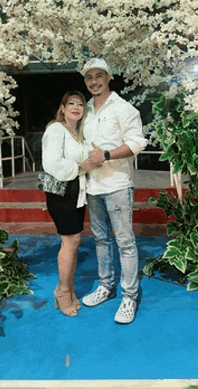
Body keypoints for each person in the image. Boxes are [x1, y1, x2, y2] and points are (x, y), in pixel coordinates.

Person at [80, 58, 148, 324]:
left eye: (99, 76)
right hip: (92, 186)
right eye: (89, 78)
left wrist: (106, 155)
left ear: (109, 77)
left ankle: (129, 296)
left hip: (118, 185)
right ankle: (106, 287)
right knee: (101, 240)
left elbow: (138, 142)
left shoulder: (123, 107)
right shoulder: (84, 110)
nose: (94, 82)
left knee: (125, 242)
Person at [42, 90, 97, 317]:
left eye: (81, 104)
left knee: (75, 240)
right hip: (63, 192)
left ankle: (69, 290)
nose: (76, 107)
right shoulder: (56, 129)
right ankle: (63, 292)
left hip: (77, 192)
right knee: (70, 241)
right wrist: (83, 166)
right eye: (71, 103)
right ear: (62, 109)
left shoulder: (78, 133)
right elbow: (52, 164)